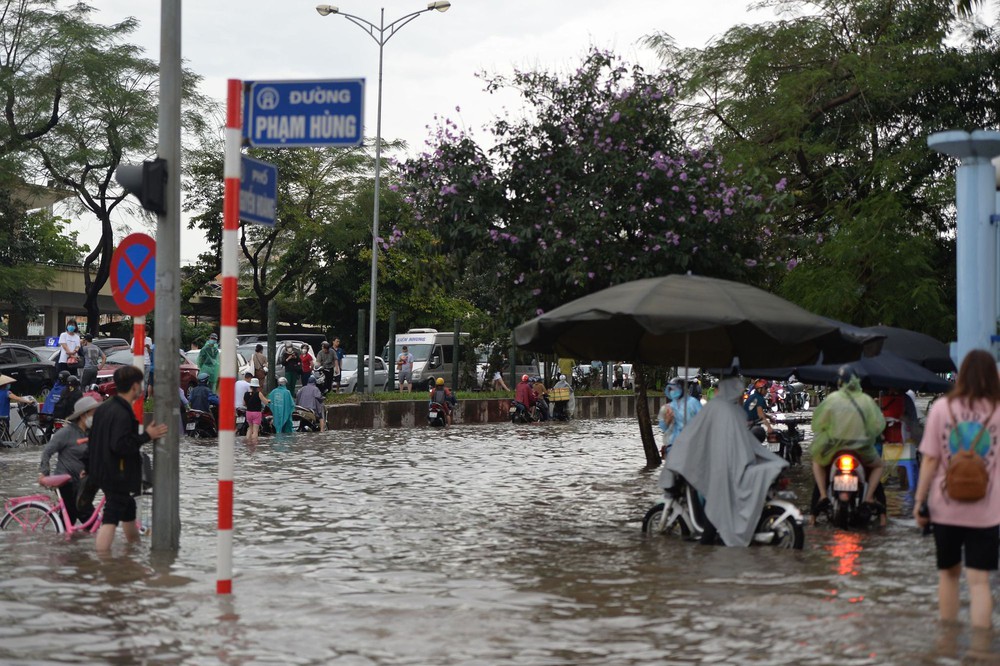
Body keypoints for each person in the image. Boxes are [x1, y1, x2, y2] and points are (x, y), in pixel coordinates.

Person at [914, 349, 1000, 630]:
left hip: (945, 507)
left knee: (948, 576)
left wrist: (918, 500)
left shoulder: (942, 408)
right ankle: (981, 651)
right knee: (979, 582)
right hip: (987, 511)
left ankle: (947, 645)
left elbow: (929, 459)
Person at [663, 376, 788, 546]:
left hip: (715, 463)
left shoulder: (711, 407)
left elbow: (696, 432)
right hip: (719, 460)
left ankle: (707, 544)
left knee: (712, 502)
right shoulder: (733, 410)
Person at [87, 365, 168, 553]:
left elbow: (93, 440)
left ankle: (133, 551)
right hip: (116, 474)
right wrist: (147, 435)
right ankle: (103, 562)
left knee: (129, 508)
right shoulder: (123, 413)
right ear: (134, 387)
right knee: (110, 519)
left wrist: (87, 465)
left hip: (102, 470)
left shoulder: (104, 408)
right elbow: (120, 445)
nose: (141, 388)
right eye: (140, 384)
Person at [810, 368, 885, 522]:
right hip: (862, 449)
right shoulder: (866, 400)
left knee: (818, 463)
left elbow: (818, 425)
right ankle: (870, 499)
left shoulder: (832, 399)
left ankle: (822, 499)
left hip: (834, 449)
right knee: (877, 467)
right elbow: (877, 426)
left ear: (839, 382)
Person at [38, 395, 100, 526]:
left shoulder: (89, 433)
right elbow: (47, 451)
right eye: (93, 414)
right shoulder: (66, 433)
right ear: (83, 415)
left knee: (68, 523)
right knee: (90, 521)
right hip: (67, 483)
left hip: (81, 482)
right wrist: (44, 472)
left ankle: (63, 543)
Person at [657, 378, 703, 458]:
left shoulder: (693, 403)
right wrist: (668, 421)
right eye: (671, 389)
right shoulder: (667, 407)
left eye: (675, 389)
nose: (672, 391)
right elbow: (663, 427)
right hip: (672, 448)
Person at [0, 374, 34, 441]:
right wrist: (28, 402)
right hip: (4, 416)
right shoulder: (7, 393)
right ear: (5, 384)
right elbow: (17, 398)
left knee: (3, 435)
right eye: (8, 384)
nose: (9, 385)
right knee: (5, 437)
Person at [243, 378, 269, 442]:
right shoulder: (259, 394)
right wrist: (268, 401)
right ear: (257, 387)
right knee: (255, 430)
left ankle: (247, 442)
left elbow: (243, 403)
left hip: (248, 413)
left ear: (250, 386)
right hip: (256, 413)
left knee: (250, 428)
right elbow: (265, 402)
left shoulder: (246, 394)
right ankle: (254, 444)